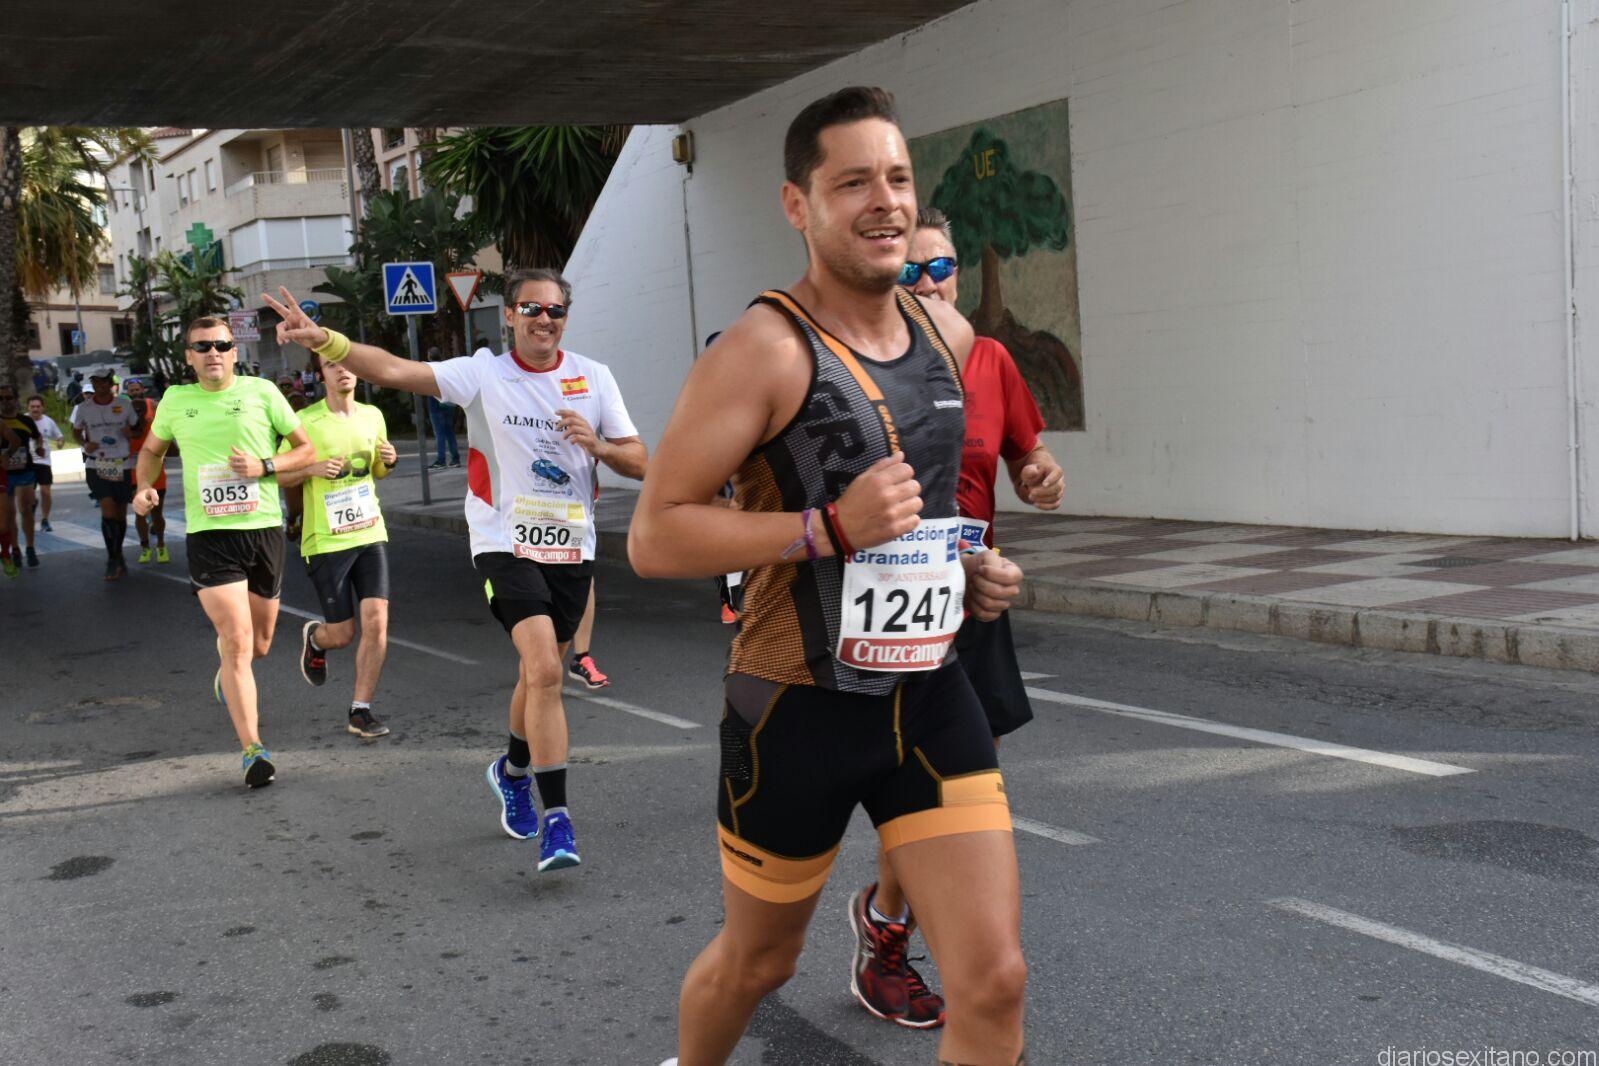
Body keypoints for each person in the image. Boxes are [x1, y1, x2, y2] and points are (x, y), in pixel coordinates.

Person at [629, 86, 1028, 1066]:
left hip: (930, 692)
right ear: (797, 205)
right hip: (795, 707)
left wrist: (970, 567)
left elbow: (920, 516)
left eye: (897, 178)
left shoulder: (949, 337)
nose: (884, 201)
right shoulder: (760, 352)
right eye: (852, 182)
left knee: (994, 980)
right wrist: (826, 529)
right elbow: (656, 536)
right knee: (759, 961)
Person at [263, 268, 648, 871]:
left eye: (555, 310)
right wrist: (327, 342)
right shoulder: (483, 373)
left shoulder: (593, 377)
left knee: (537, 675)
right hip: (504, 541)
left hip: (571, 545)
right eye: (531, 308)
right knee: (546, 670)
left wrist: (599, 448)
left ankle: (511, 771)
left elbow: (640, 460)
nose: (544, 320)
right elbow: (395, 369)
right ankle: (558, 822)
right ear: (510, 316)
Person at [841, 205, 1066, 1032]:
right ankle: (892, 938)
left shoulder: (992, 360)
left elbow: (1029, 454)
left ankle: (888, 924)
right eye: (912, 271)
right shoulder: (865, 368)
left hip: (972, 602)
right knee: (917, 788)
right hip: (889, 603)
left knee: (964, 789)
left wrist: (1040, 476)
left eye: (941, 268)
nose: (930, 283)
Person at [133, 316, 316, 788]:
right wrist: (143, 486)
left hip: (262, 530)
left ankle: (227, 675)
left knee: (260, 644)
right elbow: (151, 452)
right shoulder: (176, 400)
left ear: (234, 352)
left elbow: (307, 451)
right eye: (202, 346)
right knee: (236, 640)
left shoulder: (263, 392)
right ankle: (253, 749)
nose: (212, 352)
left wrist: (264, 465)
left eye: (221, 344)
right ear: (189, 356)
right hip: (211, 536)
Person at [278, 350, 399, 739]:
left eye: (346, 363)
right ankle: (317, 639)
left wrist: (390, 460)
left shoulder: (373, 415)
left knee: (377, 619)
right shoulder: (305, 422)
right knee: (343, 634)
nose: (342, 370)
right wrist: (311, 468)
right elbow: (279, 475)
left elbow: (378, 470)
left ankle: (360, 710)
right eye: (331, 365)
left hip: (370, 531)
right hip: (326, 539)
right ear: (320, 375)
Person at [69, 370, 141, 579]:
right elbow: (75, 431)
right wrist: (84, 444)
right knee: (107, 508)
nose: (99, 386)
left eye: (102, 382)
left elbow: (137, 429)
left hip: (122, 463)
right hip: (96, 464)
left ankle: (118, 554)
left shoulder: (124, 404)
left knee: (120, 514)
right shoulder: (84, 408)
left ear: (110, 384)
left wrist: (131, 433)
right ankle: (112, 559)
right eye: (95, 383)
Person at [123, 378, 169, 563]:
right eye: (131, 390)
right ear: (127, 392)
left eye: (137, 389)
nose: (135, 392)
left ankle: (161, 546)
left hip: (155, 466)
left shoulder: (154, 406)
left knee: (157, 513)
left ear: (142, 389)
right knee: (140, 512)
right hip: (134, 468)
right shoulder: (124, 409)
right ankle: (145, 547)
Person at [1, 384, 44, 570]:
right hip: (4, 474)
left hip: (24, 471)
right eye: (0, 399)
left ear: (16, 400)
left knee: (26, 509)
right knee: (9, 514)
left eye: (8, 398)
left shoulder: (25, 421)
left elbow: (37, 437)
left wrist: (39, 447)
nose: (4, 402)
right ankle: (15, 549)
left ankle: (30, 548)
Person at [25, 395, 63, 533]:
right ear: (28, 407)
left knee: (45, 492)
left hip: (43, 462)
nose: (35, 409)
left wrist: (60, 443)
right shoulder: (23, 420)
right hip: (27, 462)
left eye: (38, 406)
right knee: (29, 494)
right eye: (32, 407)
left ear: (42, 407)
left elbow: (59, 436)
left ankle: (45, 519)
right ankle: (33, 504)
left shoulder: (48, 421)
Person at [426, 347, 461, 469]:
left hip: (435, 405)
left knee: (439, 434)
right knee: (449, 432)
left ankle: (441, 460)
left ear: (429, 356)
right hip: (448, 404)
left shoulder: (428, 369)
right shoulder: (446, 368)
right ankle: (455, 459)